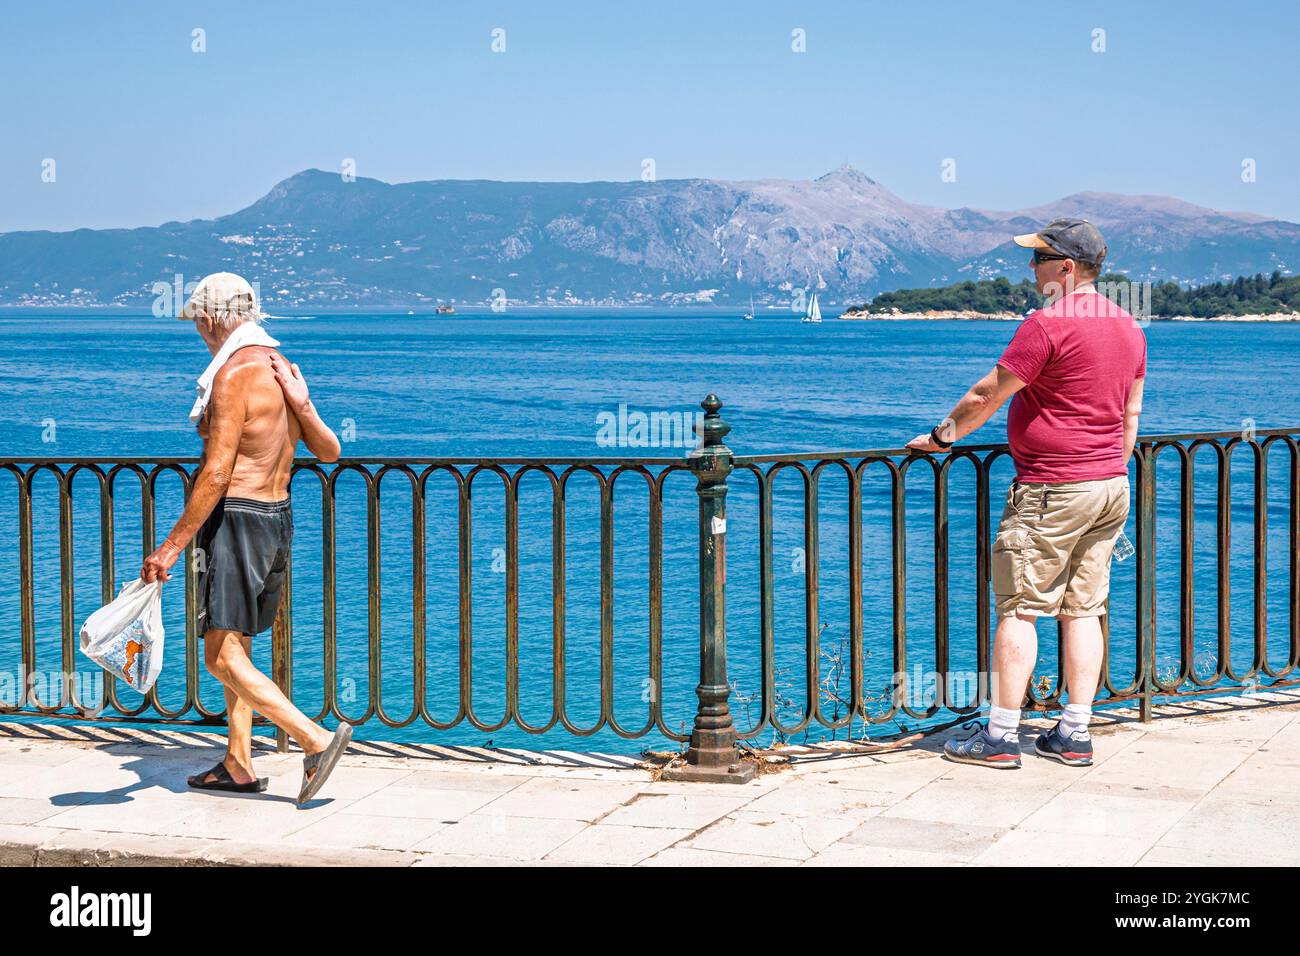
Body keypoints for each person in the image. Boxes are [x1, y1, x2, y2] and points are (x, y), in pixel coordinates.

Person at [904, 219, 1146, 769]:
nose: (1030, 268)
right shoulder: (1129, 326)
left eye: (1038, 259)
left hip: (1051, 488)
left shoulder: (1049, 323)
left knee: (1020, 608)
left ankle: (999, 737)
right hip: (1109, 484)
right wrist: (1111, 464)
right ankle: (1074, 734)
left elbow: (988, 391)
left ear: (1066, 267)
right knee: (1084, 610)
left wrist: (943, 437)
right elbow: (1131, 412)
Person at [139, 272, 351, 803]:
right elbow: (330, 453)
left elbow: (215, 473)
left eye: (198, 325)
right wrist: (303, 406)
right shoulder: (279, 368)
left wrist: (170, 547)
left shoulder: (233, 374)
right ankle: (237, 761)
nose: (200, 334)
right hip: (277, 518)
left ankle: (315, 739)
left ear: (211, 318)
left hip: (237, 519)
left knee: (218, 656)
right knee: (239, 644)